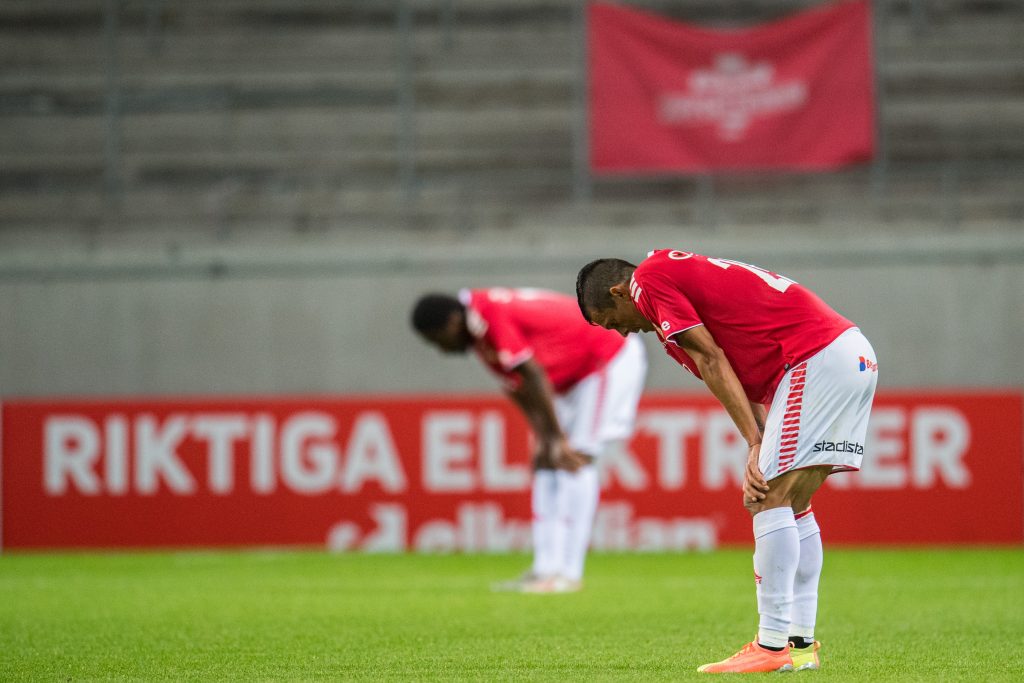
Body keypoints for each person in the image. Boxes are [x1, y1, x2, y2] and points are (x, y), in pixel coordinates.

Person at [576, 251, 878, 673]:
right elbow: (735, 373)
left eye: (609, 320)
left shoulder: (649, 279)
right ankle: (800, 647)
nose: (619, 333)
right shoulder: (671, 296)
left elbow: (712, 359)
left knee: (765, 497)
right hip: (847, 355)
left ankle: (771, 646)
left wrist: (756, 444)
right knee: (793, 502)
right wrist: (758, 436)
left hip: (816, 356)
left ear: (618, 292)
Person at [411, 287, 647, 593]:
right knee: (546, 461)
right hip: (571, 377)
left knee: (577, 456)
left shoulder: (488, 316)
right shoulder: (480, 333)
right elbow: (520, 389)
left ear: (452, 322)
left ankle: (568, 574)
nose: (441, 349)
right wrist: (545, 439)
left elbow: (532, 373)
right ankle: (545, 569)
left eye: (437, 340)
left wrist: (557, 439)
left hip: (606, 357)